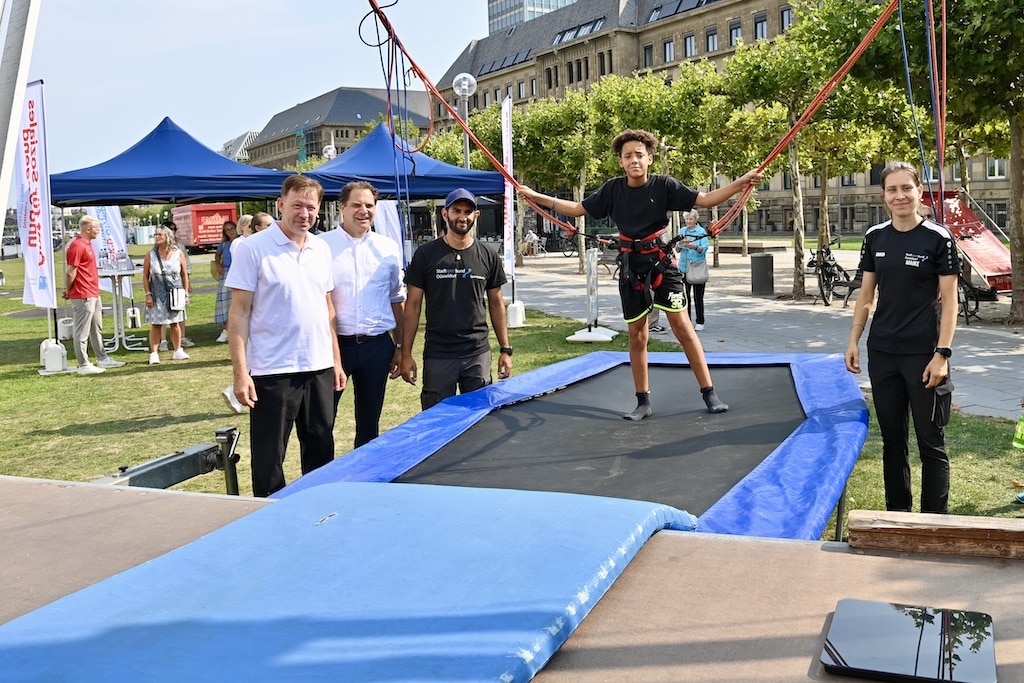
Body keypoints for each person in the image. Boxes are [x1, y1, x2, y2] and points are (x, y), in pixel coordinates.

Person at [519, 129, 761, 419]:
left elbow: (707, 199)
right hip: (632, 268)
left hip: (662, 263)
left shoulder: (664, 186)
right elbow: (578, 209)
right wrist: (534, 196)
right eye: (628, 156)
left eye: (639, 155)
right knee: (637, 335)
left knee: (682, 328)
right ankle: (642, 402)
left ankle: (709, 393)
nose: (634, 160)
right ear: (620, 162)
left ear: (649, 159)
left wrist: (742, 182)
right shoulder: (613, 190)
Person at [845, 161, 959, 514]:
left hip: (924, 355)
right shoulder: (875, 237)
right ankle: (897, 517)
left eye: (906, 188)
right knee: (893, 442)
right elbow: (866, 295)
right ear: (883, 195)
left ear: (919, 191)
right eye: (892, 189)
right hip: (882, 353)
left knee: (931, 443)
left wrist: (942, 354)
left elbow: (950, 302)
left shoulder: (938, 238)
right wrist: (854, 340)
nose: (900, 196)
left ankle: (934, 522)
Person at [226, 175, 345, 497]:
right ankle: (269, 515)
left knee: (321, 448)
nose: (304, 214)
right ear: (280, 205)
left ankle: (319, 508)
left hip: (318, 366)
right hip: (273, 370)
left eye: (311, 208)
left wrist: (335, 361)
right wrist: (240, 373)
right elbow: (239, 314)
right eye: (297, 206)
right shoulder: (253, 249)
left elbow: (327, 308)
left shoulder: (321, 248)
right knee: (270, 456)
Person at [401, 188, 513, 410]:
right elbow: (412, 306)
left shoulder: (488, 255)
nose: (463, 217)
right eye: (457, 211)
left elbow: (496, 304)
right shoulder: (425, 254)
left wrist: (505, 349)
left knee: (479, 418)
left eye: (468, 212)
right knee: (438, 420)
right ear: (445, 214)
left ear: (476, 215)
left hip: (477, 353)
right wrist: (406, 353)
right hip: (439, 354)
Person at [322, 181, 406, 447]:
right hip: (334, 347)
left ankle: (365, 472)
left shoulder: (388, 247)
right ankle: (322, 472)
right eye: (356, 204)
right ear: (342, 207)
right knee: (322, 422)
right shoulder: (320, 246)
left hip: (377, 347)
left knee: (370, 424)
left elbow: (396, 299)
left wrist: (400, 347)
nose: (364, 210)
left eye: (369, 205)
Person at [63, 215, 125, 374]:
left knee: (96, 327)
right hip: (82, 293)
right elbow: (70, 272)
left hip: (92, 292)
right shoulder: (77, 246)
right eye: (97, 228)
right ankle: (83, 364)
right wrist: (68, 290)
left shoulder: (87, 244)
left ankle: (102, 358)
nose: (99, 231)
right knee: (82, 330)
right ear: (88, 229)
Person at [142, 224, 191, 364]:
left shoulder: (178, 253)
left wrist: (185, 293)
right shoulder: (151, 255)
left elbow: (184, 274)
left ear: (168, 237)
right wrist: (148, 294)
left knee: (175, 323)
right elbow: (145, 276)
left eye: (160, 235)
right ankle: (154, 353)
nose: (157, 237)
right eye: (155, 235)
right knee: (156, 324)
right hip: (157, 294)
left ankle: (177, 350)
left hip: (175, 293)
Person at [159, 220, 195, 350]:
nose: (173, 231)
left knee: (179, 310)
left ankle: (182, 338)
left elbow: (186, 267)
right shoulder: (158, 247)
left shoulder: (180, 247)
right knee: (162, 312)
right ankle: (163, 340)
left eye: (174, 229)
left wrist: (187, 284)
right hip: (162, 283)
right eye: (170, 229)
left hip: (177, 282)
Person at [677, 209, 710, 331]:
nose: (688, 221)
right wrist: (679, 245)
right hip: (684, 267)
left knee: (698, 296)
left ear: (695, 219)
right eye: (687, 219)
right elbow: (677, 249)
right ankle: (687, 321)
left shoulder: (701, 232)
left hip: (697, 268)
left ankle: (700, 321)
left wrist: (695, 247)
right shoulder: (682, 231)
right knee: (685, 297)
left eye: (691, 219)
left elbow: (704, 248)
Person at [213, 220, 238, 343]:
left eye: (232, 228)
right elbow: (217, 255)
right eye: (227, 230)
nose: (231, 231)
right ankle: (226, 329)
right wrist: (218, 265)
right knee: (225, 302)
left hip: (238, 273)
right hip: (226, 273)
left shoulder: (242, 241)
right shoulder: (224, 244)